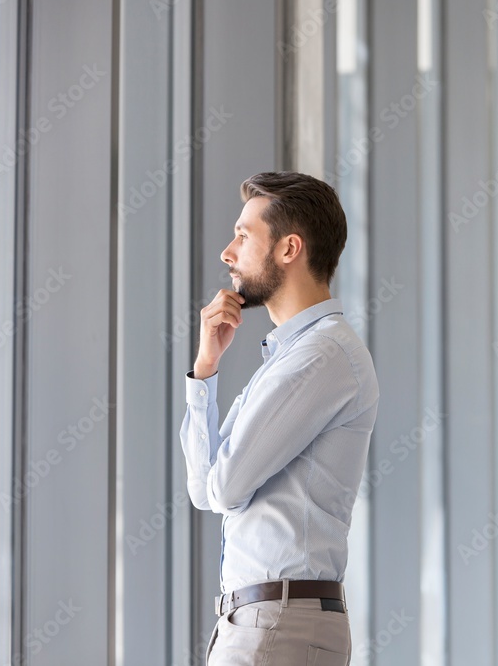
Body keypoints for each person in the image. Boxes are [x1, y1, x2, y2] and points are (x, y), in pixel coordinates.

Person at [179, 171, 379, 666]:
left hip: (277, 623)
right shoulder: (292, 356)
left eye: (243, 236)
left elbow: (225, 489)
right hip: (262, 619)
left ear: (289, 249)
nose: (228, 253)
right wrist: (205, 370)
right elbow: (204, 490)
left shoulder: (321, 355)